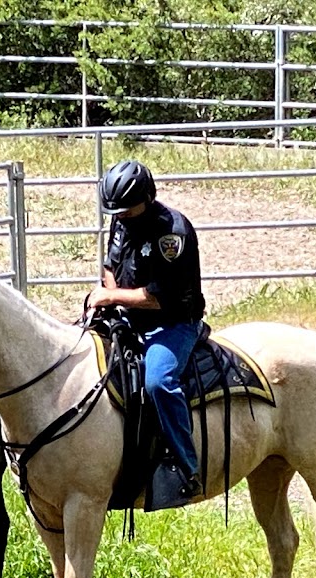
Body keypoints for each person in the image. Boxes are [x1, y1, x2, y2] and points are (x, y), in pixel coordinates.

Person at [87, 159, 206, 501]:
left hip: (172, 323)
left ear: (148, 197)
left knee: (158, 382)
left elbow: (160, 298)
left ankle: (187, 466)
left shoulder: (172, 234)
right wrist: (111, 298)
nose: (121, 216)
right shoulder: (121, 219)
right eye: (116, 211)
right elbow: (110, 266)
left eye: (127, 209)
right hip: (128, 317)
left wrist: (111, 295)